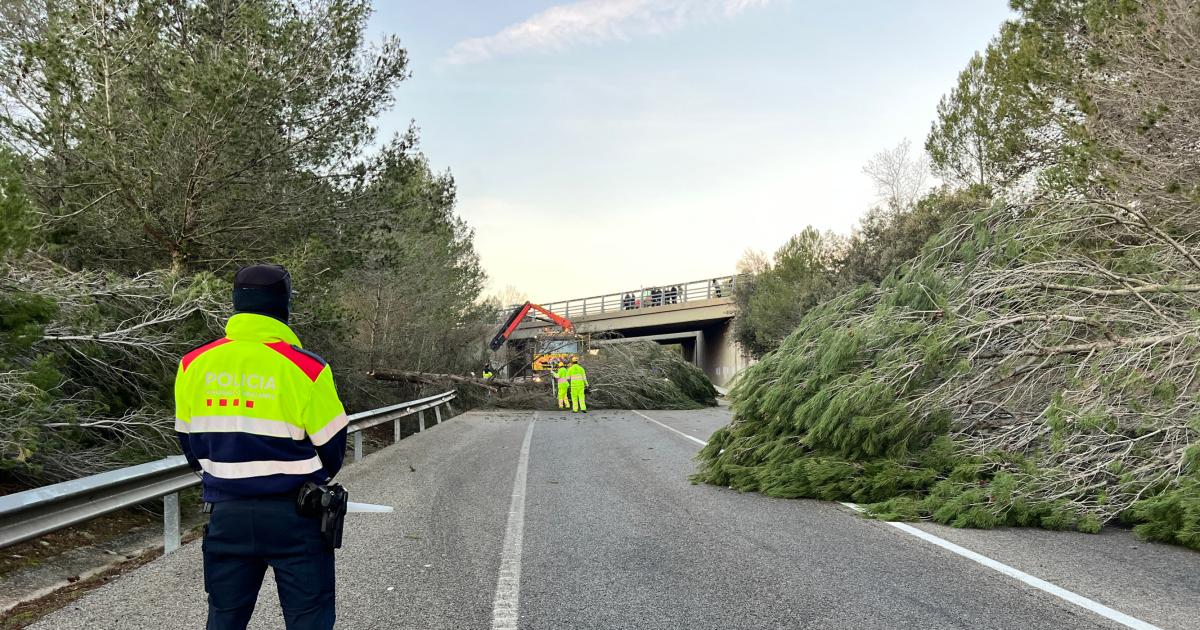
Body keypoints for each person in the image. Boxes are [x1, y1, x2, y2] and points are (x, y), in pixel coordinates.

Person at [175, 264, 347, 630]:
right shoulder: (307, 368)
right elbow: (333, 449)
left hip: (226, 513)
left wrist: (225, 474)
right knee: (309, 619)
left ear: (237, 304)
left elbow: (188, 444)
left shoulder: (193, 364)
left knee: (224, 619)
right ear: (283, 305)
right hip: (296, 515)